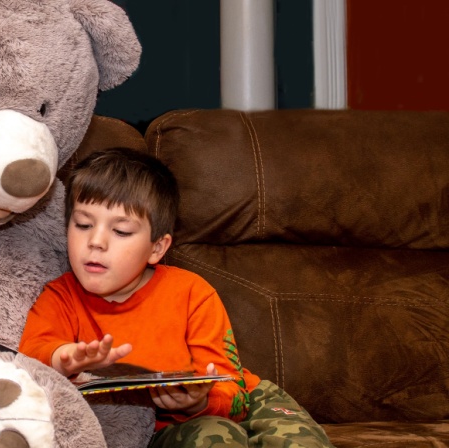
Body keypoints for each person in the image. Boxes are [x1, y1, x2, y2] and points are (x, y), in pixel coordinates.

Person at [18, 148, 332, 447]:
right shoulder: (60, 296)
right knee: (214, 437)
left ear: (157, 248)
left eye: (121, 231)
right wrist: (64, 357)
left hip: (246, 399)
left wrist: (201, 399)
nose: (96, 242)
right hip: (168, 427)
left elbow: (230, 388)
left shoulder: (192, 292)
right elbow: (30, 354)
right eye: (83, 224)